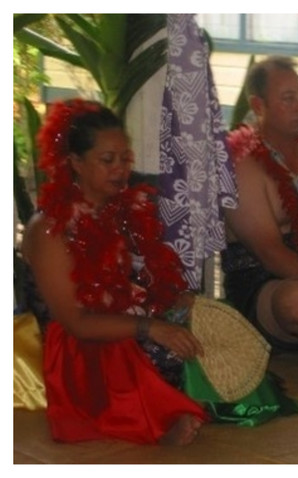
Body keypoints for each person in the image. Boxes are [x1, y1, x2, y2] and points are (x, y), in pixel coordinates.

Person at [21, 99, 206, 445]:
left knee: (201, 329)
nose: (120, 169)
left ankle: (174, 405)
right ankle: (156, 421)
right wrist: (151, 327)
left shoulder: (118, 212)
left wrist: (175, 303)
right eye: (108, 160)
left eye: (125, 159)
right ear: (75, 162)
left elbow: (135, 287)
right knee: (156, 349)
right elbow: (75, 322)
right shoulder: (49, 228)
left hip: (114, 323)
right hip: (76, 346)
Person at [223, 56, 298, 348]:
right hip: (263, 279)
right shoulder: (240, 163)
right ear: (258, 106)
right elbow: (268, 251)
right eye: (288, 99)